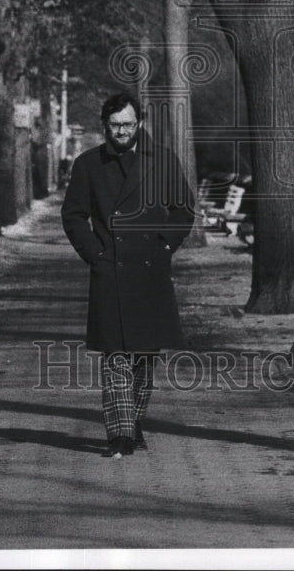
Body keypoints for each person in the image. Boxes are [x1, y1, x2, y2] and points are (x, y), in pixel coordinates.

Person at [61, 91, 194, 459]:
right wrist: (96, 255)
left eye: (129, 124)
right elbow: (73, 215)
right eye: (116, 125)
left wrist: (165, 246)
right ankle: (119, 434)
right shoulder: (88, 165)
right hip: (111, 271)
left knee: (143, 358)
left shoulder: (162, 161)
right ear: (105, 125)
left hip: (150, 271)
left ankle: (132, 423)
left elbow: (183, 210)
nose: (122, 131)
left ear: (140, 124)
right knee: (116, 356)